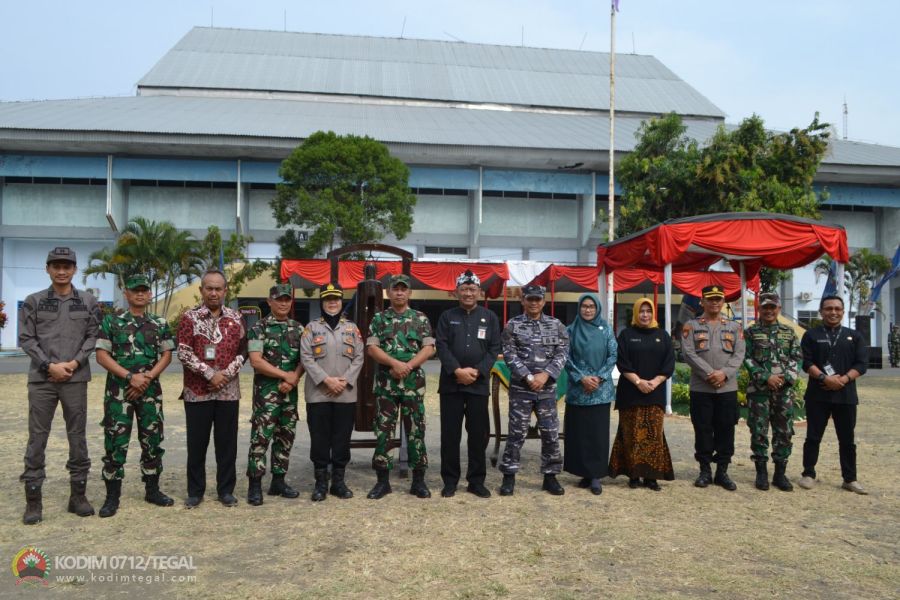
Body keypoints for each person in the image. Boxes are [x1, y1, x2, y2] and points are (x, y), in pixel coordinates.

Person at [18, 246, 101, 524]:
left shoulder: (88, 301)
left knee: (77, 437)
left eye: (67, 266)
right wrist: (49, 366)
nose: (62, 271)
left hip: (75, 379)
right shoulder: (34, 301)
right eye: (56, 266)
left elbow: (93, 337)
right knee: (37, 438)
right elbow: (26, 339)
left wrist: (74, 364)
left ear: (75, 269)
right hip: (42, 380)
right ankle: (33, 500)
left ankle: (78, 496)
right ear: (48, 269)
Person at [95, 274, 175, 517]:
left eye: (144, 290)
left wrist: (147, 378)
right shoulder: (112, 322)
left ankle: (152, 490)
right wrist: (131, 377)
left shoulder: (159, 323)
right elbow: (101, 355)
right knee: (115, 441)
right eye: (135, 290)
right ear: (126, 293)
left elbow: (167, 355)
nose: (140, 294)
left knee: (152, 440)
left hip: (150, 392)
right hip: (119, 393)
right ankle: (112, 497)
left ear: (150, 294)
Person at [177, 269, 247, 508]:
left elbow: (243, 351)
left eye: (218, 288)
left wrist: (225, 376)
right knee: (197, 444)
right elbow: (184, 352)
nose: (214, 293)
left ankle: (226, 490)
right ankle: (195, 492)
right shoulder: (189, 317)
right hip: (198, 391)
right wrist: (209, 374)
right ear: (201, 290)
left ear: (225, 291)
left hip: (228, 392)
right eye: (209, 288)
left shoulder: (236, 318)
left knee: (227, 444)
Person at [365, 274, 436, 499]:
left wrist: (408, 366)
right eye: (395, 289)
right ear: (388, 292)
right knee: (384, 432)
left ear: (409, 293)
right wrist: (394, 363)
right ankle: (382, 481)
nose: (399, 293)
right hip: (386, 385)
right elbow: (372, 348)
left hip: (413, 386)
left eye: (403, 289)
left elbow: (429, 348)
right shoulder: (379, 319)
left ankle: (419, 481)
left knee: (416, 432)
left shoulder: (420, 318)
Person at [434, 270, 501, 498]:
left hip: (477, 385)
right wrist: (457, 371)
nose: (468, 293)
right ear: (456, 292)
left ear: (479, 292)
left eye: (473, 289)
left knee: (477, 435)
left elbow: (494, 349)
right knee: (450, 435)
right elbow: (441, 346)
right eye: (464, 289)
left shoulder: (490, 317)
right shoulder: (447, 316)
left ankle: (476, 481)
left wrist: (478, 371)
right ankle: (450, 481)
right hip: (451, 385)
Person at [498, 284, 569, 496]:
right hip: (522, 388)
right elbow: (509, 354)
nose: (534, 303)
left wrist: (545, 375)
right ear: (523, 301)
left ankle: (550, 476)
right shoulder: (513, 325)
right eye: (530, 299)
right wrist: (529, 377)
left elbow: (562, 353)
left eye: (538, 299)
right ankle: (509, 476)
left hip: (547, 389)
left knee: (549, 432)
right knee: (516, 433)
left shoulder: (556, 325)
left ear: (544, 302)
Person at [798, 295, 869, 494]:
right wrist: (824, 378)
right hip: (817, 395)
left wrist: (843, 380)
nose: (833, 312)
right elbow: (806, 362)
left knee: (847, 439)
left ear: (843, 312)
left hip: (845, 395)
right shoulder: (811, 335)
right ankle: (808, 473)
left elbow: (862, 365)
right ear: (821, 311)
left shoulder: (854, 336)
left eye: (837, 309)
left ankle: (850, 478)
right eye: (829, 309)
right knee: (813, 436)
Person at [301, 283, 364, 501]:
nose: (332, 302)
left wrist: (343, 381)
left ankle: (338, 482)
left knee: (341, 439)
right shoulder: (310, 328)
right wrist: (327, 380)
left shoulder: (352, 328)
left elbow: (359, 357)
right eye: (328, 299)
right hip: (318, 393)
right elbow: (306, 357)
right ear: (322, 302)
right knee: (319, 438)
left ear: (341, 301)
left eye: (336, 299)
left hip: (345, 394)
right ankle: (320, 483)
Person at [681, 285, 746, 491]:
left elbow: (739, 354)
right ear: (702, 302)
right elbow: (688, 353)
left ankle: (722, 472)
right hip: (701, 388)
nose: (715, 303)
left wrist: (724, 373)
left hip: (726, 388)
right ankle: (705, 470)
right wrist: (710, 373)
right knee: (702, 429)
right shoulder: (691, 326)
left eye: (718, 299)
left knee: (726, 429)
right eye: (710, 299)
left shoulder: (735, 327)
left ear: (723, 302)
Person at [245, 284, 304, 506]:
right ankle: (255, 485)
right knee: (260, 438)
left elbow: (304, 359)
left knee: (285, 437)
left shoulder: (299, 329)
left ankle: (278, 482)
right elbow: (256, 361)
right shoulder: (258, 328)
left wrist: (294, 378)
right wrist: (285, 376)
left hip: (290, 394)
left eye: (287, 299)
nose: (283, 303)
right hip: (266, 394)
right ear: (269, 301)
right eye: (278, 299)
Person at [608, 298, 675, 491]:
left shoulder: (663, 336)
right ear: (636, 313)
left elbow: (668, 363)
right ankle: (633, 475)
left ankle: (651, 477)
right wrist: (638, 381)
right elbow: (622, 362)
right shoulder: (626, 335)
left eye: (648, 311)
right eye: (641, 311)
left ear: (653, 313)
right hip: (631, 392)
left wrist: (654, 382)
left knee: (653, 435)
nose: (645, 315)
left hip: (655, 393)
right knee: (631, 435)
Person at [742, 292, 802, 492]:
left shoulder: (789, 332)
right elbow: (747, 358)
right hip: (760, 390)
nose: (769, 311)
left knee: (784, 432)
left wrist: (786, 378)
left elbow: (797, 357)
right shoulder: (750, 332)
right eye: (765, 307)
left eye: (772, 307)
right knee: (759, 431)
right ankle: (761, 472)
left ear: (779, 309)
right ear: (759, 309)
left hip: (783, 391)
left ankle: (780, 473)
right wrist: (765, 376)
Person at [563, 293, 617, 495]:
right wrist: (582, 378)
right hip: (578, 390)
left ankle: (595, 475)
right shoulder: (570, 330)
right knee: (579, 434)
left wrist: (599, 378)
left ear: (597, 309)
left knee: (597, 434)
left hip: (600, 393)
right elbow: (565, 358)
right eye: (584, 306)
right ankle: (583, 472)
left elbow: (613, 355)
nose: (587, 310)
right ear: (579, 308)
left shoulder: (606, 330)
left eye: (591, 307)